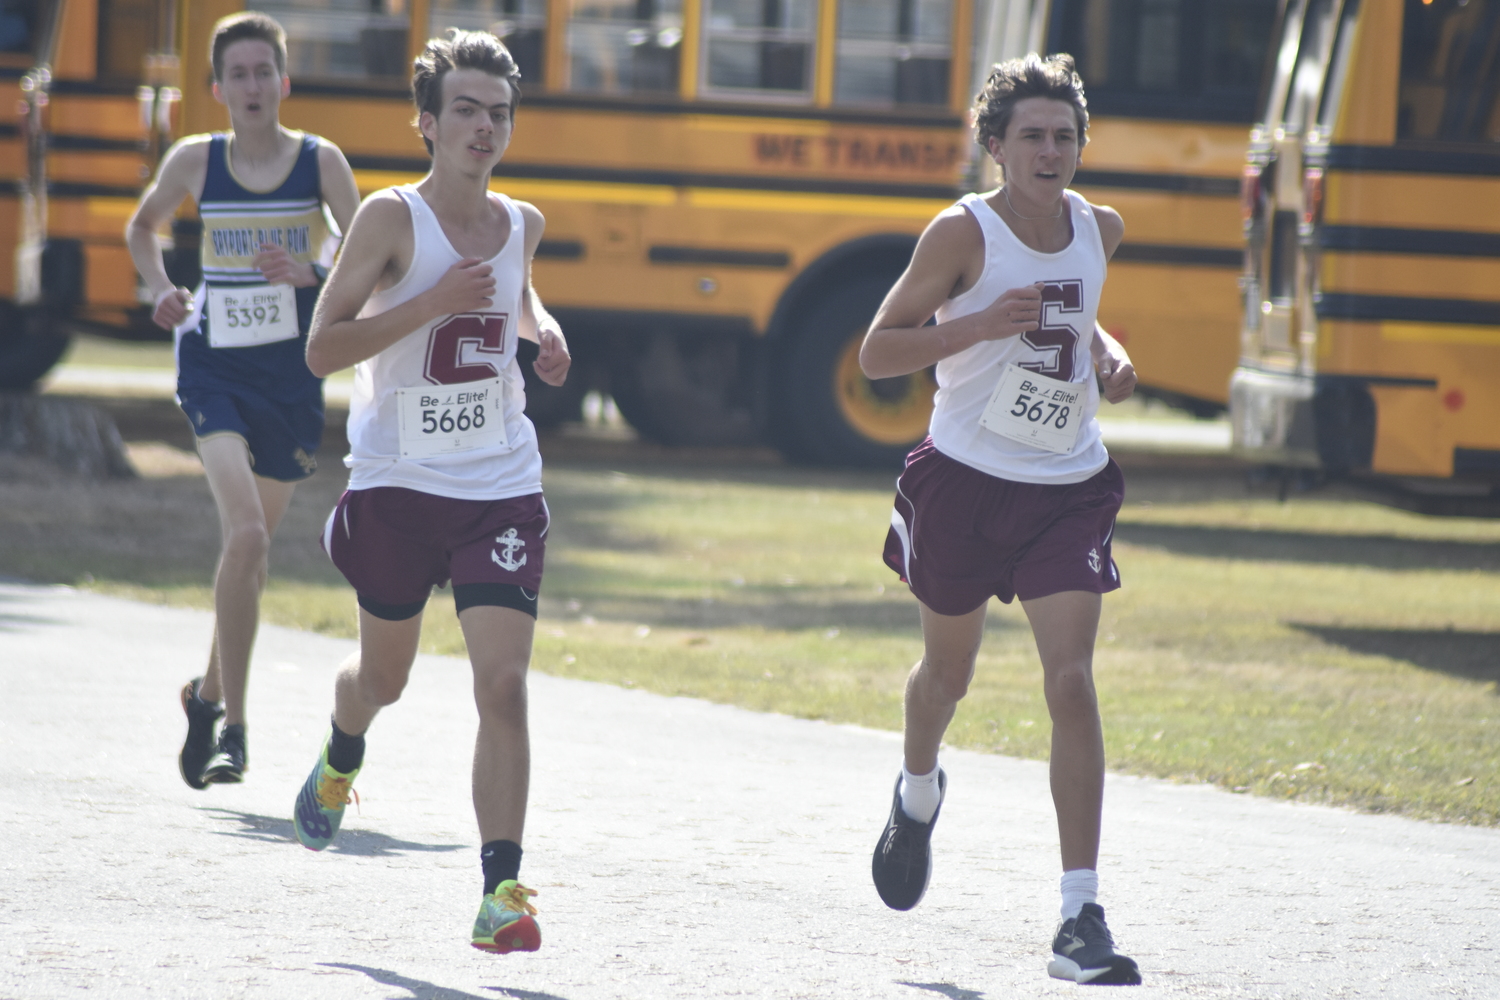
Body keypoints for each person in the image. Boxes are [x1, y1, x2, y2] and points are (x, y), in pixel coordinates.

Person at [861, 53, 1142, 986]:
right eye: (1031, 136)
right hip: (965, 482)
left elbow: (1081, 311)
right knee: (949, 674)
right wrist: (975, 326)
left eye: (1065, 135)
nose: (1050, 151)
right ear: (995, 147)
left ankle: (1079, 914)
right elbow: (876, 352)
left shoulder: (1101, 226)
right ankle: (916, 789)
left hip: (1068, 485)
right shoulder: (960, 233)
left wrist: (1109, 354)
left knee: (1071, 680)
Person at [289, 29, 570, 956]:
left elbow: (519, 298)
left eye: (499, 113)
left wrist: (546, 333)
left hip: (499, 483)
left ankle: (501, 893)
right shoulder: (389, 220)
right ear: (426, 122)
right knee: (385, 678)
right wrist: (428, 306)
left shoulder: (523, 222)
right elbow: (324, 347)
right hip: (399, 483)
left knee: (505, 686)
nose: (484, 127)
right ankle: (341, 750)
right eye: (465, 110)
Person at [125, 12, 359, 790]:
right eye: (240, 74)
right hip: (214, 366)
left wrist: (314, 278)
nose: (253, 86)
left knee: (248, 554)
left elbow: (372, 257)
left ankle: (204, 696)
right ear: (217, 86)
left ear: (284, 83)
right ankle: (236, 731)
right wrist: (161, 290)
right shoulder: (197, 160)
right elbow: (142, 227)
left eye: (266, 72)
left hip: (292, 379)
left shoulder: (321, 165)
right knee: (249, 533)